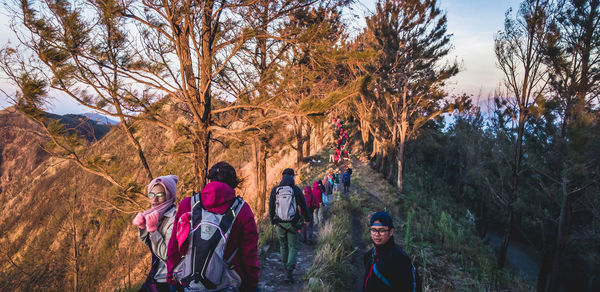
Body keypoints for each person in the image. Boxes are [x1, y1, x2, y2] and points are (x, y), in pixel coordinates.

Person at [166, 162, 259, 292]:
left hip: (189, 284)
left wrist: (171, 277)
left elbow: (174, 246)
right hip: (226, 284)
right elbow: (249, 254)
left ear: (209, 179)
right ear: (234, 183)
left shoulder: (188, 204)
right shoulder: (242, 210)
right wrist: (251, 284)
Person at [133, 175, 180, 292]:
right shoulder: (156, 214)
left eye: (160, 195)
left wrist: (153, 230)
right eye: (151, 195)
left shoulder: (174, 218)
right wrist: (143, 227)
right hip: (155, 276)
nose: (154, 200)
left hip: (168, 280)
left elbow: (168, 255)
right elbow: (148, 243)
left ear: (169, 196)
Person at [269, 168, 311, 283]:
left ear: (282, 177)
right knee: (293, 247)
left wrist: (273, 221)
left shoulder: (275, 190)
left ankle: (285, 268)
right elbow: (303, 205)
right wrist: (307, 219)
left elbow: (271, 207)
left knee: (283, 246)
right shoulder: (295, 190)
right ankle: (289, 272)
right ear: (292, 177)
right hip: (293, 224)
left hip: (279, 224)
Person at [363, 212, 418, 292]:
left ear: (391, 232)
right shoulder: (369, 255)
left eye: (382, 230)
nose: (377, 234)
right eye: (373, 230)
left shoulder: (400, 259)